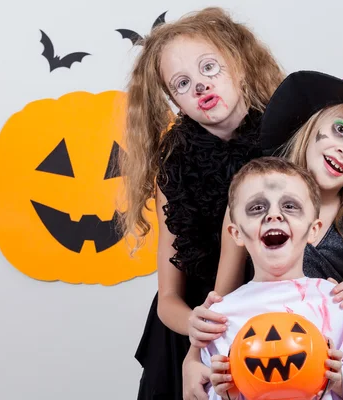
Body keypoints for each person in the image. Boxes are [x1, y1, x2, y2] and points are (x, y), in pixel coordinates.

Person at [184, 35, 343, 398]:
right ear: (314, 125)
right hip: (257, 361)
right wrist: (192, 359)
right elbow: (221, 303)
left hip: (326, 370)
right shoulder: (253, 204)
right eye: (340, 129)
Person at [119, 6, 285, 399]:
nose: (200, 86)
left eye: (209, 67)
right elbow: (169, 299)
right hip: (193, 332)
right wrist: (195, 323)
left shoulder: (289, 143)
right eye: (181, 83)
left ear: (240, 66)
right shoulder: (173, 166)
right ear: (176, 102)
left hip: (272, 327)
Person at [203, 156, 343, 399]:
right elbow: (209, 390)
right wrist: (224, 392)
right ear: (236, 233)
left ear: (312, 230)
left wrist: (340, 381)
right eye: (257, 208)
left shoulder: (338, 303)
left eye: (290, 206)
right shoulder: (222, 316)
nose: (274, 215)